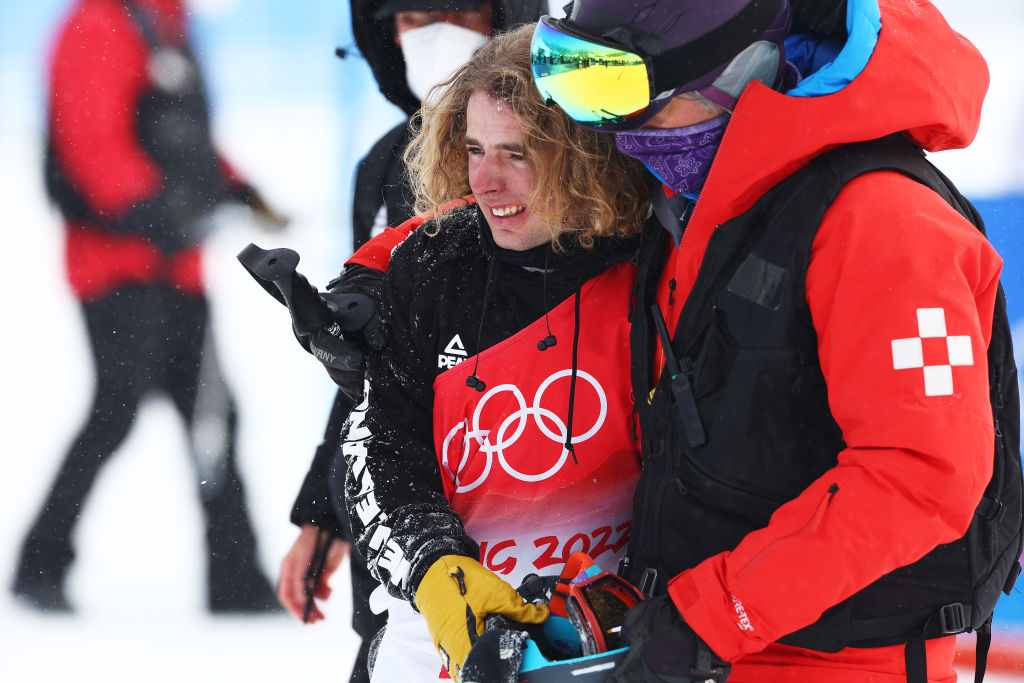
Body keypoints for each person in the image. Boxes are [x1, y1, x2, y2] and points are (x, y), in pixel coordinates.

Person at [528, 1, 1021, 682]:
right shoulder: (705, 192)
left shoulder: (882, 219)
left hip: (835, 661)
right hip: (704, 648)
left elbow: (920, 476)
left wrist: (716, 612)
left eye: (628, 96)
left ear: (744, 73)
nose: (618, 130)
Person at [340, 24, 650, 682]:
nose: (486, 180)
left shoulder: (646, 261)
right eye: (475, 148)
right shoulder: (433, 261)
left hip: (597, 636)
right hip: (442, 630)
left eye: (517, 153)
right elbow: (381, 443)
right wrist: (433, 561)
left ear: (580, 153)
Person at [277, 3, 545, 683]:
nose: (437, 35)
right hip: (401, 526)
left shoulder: (564, 151)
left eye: (460, 11)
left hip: (542, 525)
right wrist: (326, 507)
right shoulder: (383, 166)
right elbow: (374, 372)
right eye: (416, 16)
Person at [12, 0, 284, 614]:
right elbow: (91, 141)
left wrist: (240, 188)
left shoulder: (167, 21)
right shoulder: (97, 23)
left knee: (212, 414)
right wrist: (158, 213)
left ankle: (235, 581)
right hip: (114, 267)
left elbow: (184, 141)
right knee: (118, 408)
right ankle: (39, 564)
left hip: (177, 268)